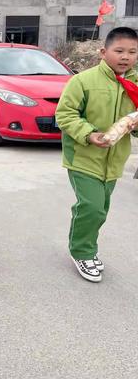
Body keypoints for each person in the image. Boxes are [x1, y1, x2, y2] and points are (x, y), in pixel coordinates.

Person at [56, 27, 138, 283]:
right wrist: (90, 134)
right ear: (104, 52)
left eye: (132, 52)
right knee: (91, 206)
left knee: (99, 209)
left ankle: (84, 243)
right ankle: (82, 252)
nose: (125, 57)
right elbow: (65, 115)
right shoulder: (83, 81)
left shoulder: (134, 85)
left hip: (114, 161)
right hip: (83, 157)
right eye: (119, 50)